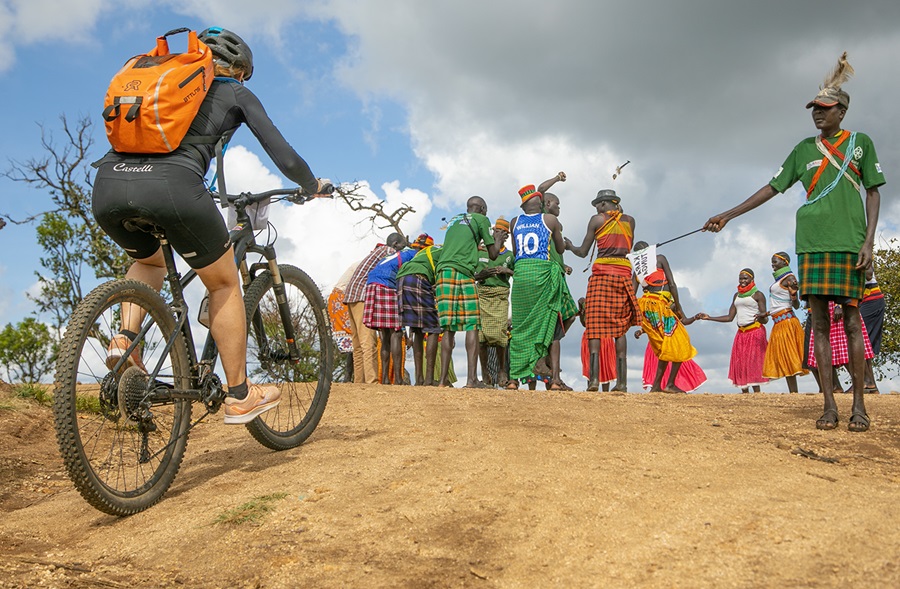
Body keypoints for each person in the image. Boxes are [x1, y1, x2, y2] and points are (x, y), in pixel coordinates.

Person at [92, 27, 330, 424]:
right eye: (244, 74)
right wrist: (312, 185)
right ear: (237, 69)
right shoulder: (233, 91)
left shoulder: (157, 81)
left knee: (149, 262)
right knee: (221, 282)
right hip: (172, 188)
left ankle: (124, 340)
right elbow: (285, 156)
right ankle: (240, 394)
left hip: (109, 186)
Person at [703, 52, 884, 431]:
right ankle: (829, 407)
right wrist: (727, 214)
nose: (818, 114)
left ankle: (859, 407)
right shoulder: (803, 150)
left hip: (849, 244)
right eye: (814, 109)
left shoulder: (861, 144)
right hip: (811, 245)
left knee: (852, 322)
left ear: (842, 112)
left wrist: (869, 241)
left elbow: (873, 193)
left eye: (825, 109)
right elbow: (772, 188)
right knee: (817, 323)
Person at [565, 189, 640, 391]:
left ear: (605, 204)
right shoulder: (630, 220)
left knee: (594, 326)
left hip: (602, 277)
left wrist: (570, 246)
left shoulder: (597, 220)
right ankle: (622, 384)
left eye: (598, 204)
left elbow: (582, 252)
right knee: (620, 327)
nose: (597, 208)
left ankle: (594, 380)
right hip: (623, 276)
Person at [507, 184, 575, 390]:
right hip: (542, 273)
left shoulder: (514, 222)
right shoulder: (550, 220)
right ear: (540, 202)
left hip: (521, 275)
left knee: (520, 326)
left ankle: (513, 379)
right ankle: (551, 376)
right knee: (549, 322)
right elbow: (560, 247)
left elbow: (517, 250)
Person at [434, 196, 503, 388]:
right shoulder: (481, 219)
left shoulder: (455, 220)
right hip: (464, 273)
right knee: (472, 323)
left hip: (443, 272)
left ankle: (442, 381)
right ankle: (472, 380)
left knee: (448, 327)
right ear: (482, 208)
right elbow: (493, 254)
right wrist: (497, 239)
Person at [630, 241, 697, 393]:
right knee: (681, 341)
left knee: (665, 345)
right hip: (659, 306)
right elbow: (672, 285)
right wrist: (679, 309)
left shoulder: (637, 270)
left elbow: (632, 294)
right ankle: (669, 385)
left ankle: (656, 387)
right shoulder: (659, 258)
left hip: (645, 308)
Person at [342, 234, 407, 384]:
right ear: (395, 244)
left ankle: (359, 382)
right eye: (402, 247)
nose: (402, 251)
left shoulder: (376, 252)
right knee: (368, 342)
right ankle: (372, 381)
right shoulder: (388, 252)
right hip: (362, 295)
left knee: (357, 345)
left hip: (350, 295)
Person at [697, 269, 769, 393]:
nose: (743, 281)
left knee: (752, 364)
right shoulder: (736, 296)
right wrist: (709, 318)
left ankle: (757, 394)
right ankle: (745, 394)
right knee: (740, 363)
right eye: (741, 278)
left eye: (745, 278)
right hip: (741, 333)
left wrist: (761, 316)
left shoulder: (758, 295)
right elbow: (730, 317)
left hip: (755, 332)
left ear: (752, 279)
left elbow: (765, 319)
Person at [362, 235, 415, 384]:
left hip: (372, 285)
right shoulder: (409, 253)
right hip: (386, 286)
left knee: (384, 335)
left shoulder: (386, 257)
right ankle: (398, 378)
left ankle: (385, 378)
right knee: (396, 332)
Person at [396, 234, 442, 386]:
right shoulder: (438, 251)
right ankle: (429, 379)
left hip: (402, 280)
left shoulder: (416, 256)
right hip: (418, 278)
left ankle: (419, 379)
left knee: (417, 330)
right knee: (434, 328)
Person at [474, 219, 514, 387]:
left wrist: (508, 271)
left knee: (500, 336)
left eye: (502, 232)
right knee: (480, 336)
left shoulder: (510, 255)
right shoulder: (480, 252)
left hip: (500, 296)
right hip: (482, 295)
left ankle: (501, 370)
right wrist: (480, 275)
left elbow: (518, 273)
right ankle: (484, 371)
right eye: (495, 230)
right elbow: (472, 274)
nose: (498, 233)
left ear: (506, 235)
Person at [761, 252, 809, 392]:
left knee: (792, 356)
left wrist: (794, 296)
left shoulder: (790, 278)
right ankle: (793, 393)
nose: (772, 264)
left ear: (785, 262)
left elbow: (796, 305)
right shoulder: (780, 280)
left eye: (775, 261)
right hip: (778, 322)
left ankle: (822, 389)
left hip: (787, 321)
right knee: (785, 357)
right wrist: (767, 313)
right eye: (772, 262)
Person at [859, 264, 884, 393]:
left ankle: (866, 382)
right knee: (864, 343)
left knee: (858, 340)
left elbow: (868, 274)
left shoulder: (860, 251)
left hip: (871, 299)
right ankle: (871, 385)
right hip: (868, 299)